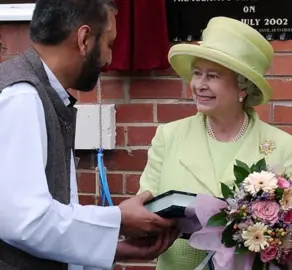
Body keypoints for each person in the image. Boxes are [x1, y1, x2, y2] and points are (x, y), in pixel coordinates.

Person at [0, 1, 179, 270]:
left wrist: (114, 246)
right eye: (109, 43)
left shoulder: (39, 93)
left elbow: (41, 210)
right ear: (84, 39)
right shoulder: (22, 96)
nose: (108, 58)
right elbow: (26, 220)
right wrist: (118, 219)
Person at [137, 16, 292, 269]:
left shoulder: (281, 145)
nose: (199, 85)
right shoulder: (168, 136)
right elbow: (144, 211)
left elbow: (289, 231)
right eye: (197, 74)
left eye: (212, 76)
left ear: (242, 87)